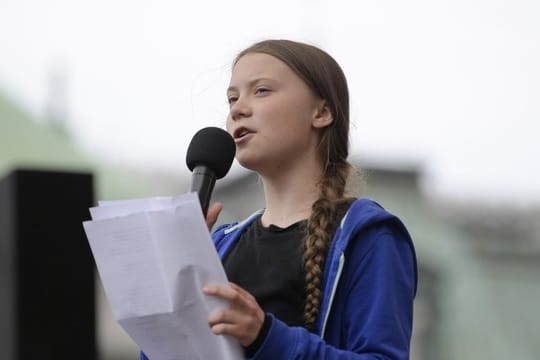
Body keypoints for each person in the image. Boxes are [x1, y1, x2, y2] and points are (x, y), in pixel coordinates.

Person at [142, 39, 417, 359]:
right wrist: (175, 281)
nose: (238, 109)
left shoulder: (368, 235)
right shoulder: (220, 243)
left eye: (261, 91)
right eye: (232, 98)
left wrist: (264, 337)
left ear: (322, 111)